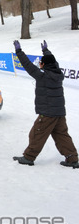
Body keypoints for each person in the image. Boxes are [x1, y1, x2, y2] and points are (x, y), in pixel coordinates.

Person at [12, 40, 78, 168]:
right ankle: (72, 158)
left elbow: (27, 65)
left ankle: (29, 157)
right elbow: (53, 62)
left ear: (44, 65)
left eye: (41, 62)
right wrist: (46, 51)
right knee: (61, 135)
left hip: (48, 113)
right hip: (59, 113)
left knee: (36, 133)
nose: (39, 64)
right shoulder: (58, 73)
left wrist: (19, 52)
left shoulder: (43, 76)